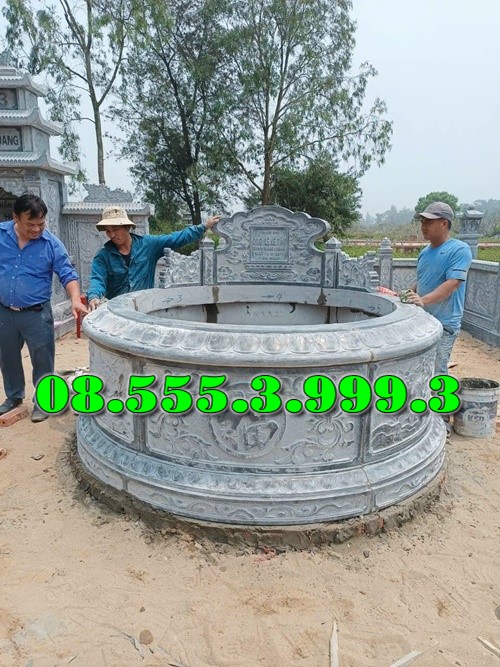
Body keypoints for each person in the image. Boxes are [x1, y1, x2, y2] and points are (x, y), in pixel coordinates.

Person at [0, 193, 88, 422]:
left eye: (41, 223)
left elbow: (67, 274)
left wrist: (75, 299)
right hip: (4, 312)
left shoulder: (51, 244)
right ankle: (14, 396)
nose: (37, 229)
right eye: (31, 224)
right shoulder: (1, 235)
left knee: (42, 358)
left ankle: (43, 400)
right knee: (7, 356)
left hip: (37, 314)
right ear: (15, 218)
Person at [87, 206, 221, 310]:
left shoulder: (148, 245)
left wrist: (203, 227)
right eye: (108, 230)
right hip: (118, 311)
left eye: (115, 229)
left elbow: (175, 238)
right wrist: (94, 297)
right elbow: (97, 279)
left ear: (127, 227)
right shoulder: (103, 256)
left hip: (144, 308)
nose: (112, 235)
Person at [407, 200, 472, 375]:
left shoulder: (459, 250)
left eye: (428, 222)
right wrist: (410, 292)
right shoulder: (425, 252)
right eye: (422, 222)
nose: (423, 226)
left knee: (438, 369)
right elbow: (423, 280)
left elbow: (453, 284)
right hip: (423, 320)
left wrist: (423, 300)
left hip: (445, 323)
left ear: (444, 223)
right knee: (421, 368)